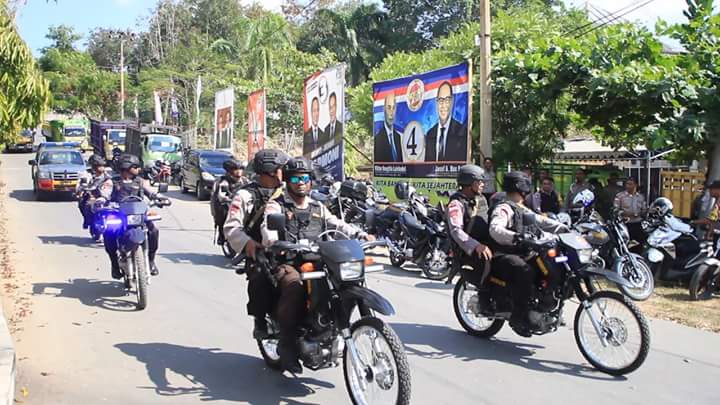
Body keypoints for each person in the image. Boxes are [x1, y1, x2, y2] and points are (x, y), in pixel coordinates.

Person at [261, 157, 373, 373]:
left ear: (310, 180)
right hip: (288, 260)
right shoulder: (277, 205)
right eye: (295, 178)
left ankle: (332, 324)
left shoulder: (317, 206)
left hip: (317, 258)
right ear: (287, 180)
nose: (300, 182)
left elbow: (337, 224)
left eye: (304, 178)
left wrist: (360, 234)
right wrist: (275, 240)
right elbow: (268, 230)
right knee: (293, 286)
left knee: (344, 283)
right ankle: (286, 343)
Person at [488, 171, 567, 337]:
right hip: (504, 253)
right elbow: (495, 229)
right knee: (525, 271)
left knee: (554, 266)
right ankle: (518, 318)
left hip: (524, 251)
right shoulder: (504, 207)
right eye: (526, 183)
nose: (529, 185)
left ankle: (546, 306)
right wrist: (516, 237)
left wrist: (564, 228)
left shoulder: (522, 207)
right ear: (518, 186)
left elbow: (541, 221)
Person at [224, 149, 289, 341]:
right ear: (271, 171)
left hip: (291, 246)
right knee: (260, 278)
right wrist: (248, 244)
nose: (284, 172)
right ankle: (260, 320)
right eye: (281, 169)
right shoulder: (244, 195)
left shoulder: (289, 190)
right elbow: (231, 227)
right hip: (261, 250)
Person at [102, 154, 165, 279]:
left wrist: (159, 198)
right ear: (126, 167)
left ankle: (151, 261)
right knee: (108, 233)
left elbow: (151, 193)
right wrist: (101, 200)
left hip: (139, 214)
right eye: (135, 166)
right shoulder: (111, 182)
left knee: (154, 231)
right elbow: (105, 193)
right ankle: (114, 264)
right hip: (118, 214)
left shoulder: (141, 181)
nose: (138, 169)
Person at [446, 165, 493, 289]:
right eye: (479, 181)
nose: (482, 184)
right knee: (488, 264)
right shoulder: (456, 204)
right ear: (469, 183)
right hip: (470, 250)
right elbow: (456, 231)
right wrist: (476, 246)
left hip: (486, 242)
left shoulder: (481, 199)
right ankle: (484, 297)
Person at [425, 81, 468, 162]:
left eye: (447, 100)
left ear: (452, 102)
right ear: (436, 102)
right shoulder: (430, 133)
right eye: (441, 100)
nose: (443, 105)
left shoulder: (461, 131)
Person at [210, 159, 249, 246]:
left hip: (242, 203)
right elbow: (220, 196)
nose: (239, 172)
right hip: (225, 205)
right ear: (229, 171)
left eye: (240, 169)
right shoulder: (222, 182)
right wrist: (228, 199)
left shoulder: (245, 181)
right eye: (236, 169)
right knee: (223, 212)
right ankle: (222, 235)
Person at [78, 155, 113, 232]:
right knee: (85, 203)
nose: (102, 168)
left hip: (107, 196)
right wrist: (82, 190)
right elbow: (81, 184)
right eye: (99, 166)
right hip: (92, 195)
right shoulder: (87, 174)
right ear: (93, 166)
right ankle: (88, 220)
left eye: (102, 165)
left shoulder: (108, 174)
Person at [613, 177, 647, 244]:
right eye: (627, 184)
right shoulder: (620, 196)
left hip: (637, 224)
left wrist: (643, 213)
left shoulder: (640, 197)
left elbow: (644, 210)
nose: (628, 186)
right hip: (625, 224)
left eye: (630, 184)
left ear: (636, 185)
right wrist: (626, 214)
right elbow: (615, 210)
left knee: (639, 244)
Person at [375, 92, 403, 162]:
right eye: (389, 107)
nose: (391, 113)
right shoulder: (377, 139)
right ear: (384, 109)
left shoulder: (397, 137)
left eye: (393, 108)